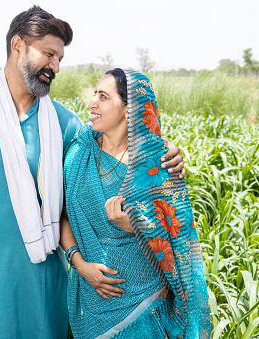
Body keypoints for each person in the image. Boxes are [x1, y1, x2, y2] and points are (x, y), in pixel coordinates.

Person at [0, 6, 185, 338]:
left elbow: (119, 141)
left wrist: (162, 152)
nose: (55, 66)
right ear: (18, 46)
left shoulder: (66, 125)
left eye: (60, 59)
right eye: (49, 54)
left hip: (42, 291)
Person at [61, 68, 211, 338]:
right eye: (95, 94)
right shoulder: (78, 154)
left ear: (129, 110)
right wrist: (81, 265)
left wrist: (136, 227)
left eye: (104, 97)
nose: (92, 103)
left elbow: (179, 238)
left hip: (145, 303)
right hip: (93, 298)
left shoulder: (157, 164)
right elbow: (62, 215)